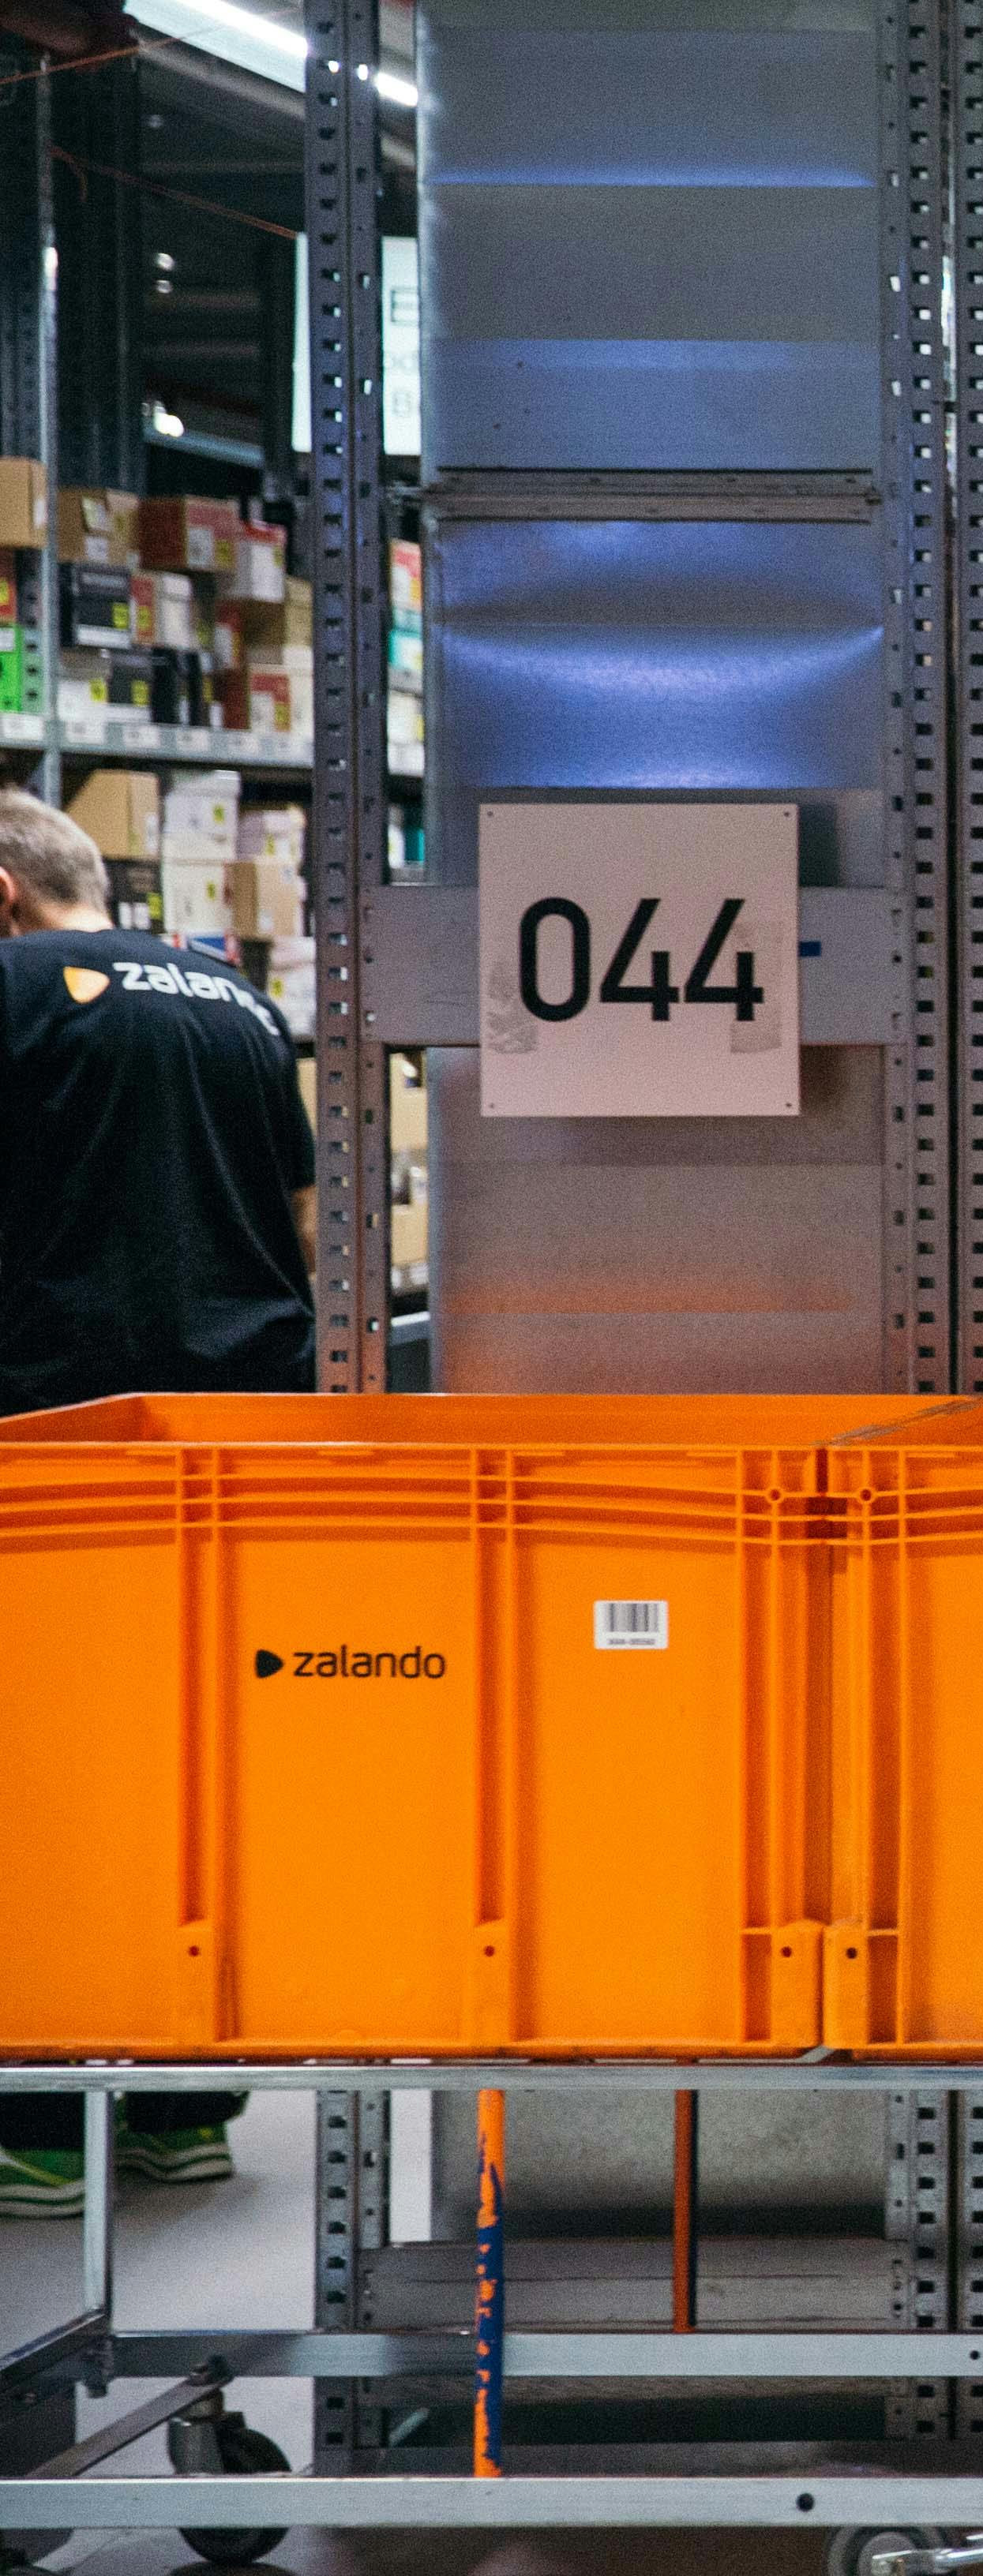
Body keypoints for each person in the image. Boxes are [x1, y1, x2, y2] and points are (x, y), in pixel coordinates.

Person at [0, 781, 308, 2208]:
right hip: (239, 1450)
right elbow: (303, 1216)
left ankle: (46, 2121)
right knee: (195, 1774)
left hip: (54, 1449)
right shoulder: (231, 995)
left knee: (49, 1784)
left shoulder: (17, 994)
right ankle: (187, 2103)